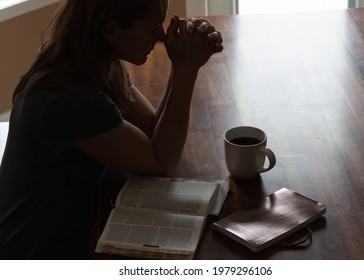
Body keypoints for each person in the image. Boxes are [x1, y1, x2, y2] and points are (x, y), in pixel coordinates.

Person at [0, 0, 223, 259]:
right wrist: (186, 69)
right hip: (38, 251)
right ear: (111, 29)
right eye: (151, 29)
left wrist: (181, 61)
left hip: (75, 216)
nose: (162, 36)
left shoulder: (91, 59)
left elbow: (151, 130)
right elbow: (161, 161)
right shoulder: (68, 100)